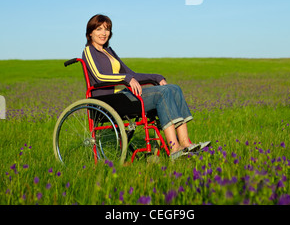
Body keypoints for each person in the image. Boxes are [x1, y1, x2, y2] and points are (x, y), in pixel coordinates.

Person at [82, 14, 210, 159]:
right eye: (99, 29)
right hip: (108, 100)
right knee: (162, 94)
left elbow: (131, 74)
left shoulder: (109, 52)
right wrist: (126, 78)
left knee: (174, 88)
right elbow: (99, 76)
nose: (103, 33)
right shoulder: (89, 51)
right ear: (90, 32)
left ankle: (186, 143)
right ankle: (174, 148)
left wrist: (156, 77)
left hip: (123, 96)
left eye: (107, 29)